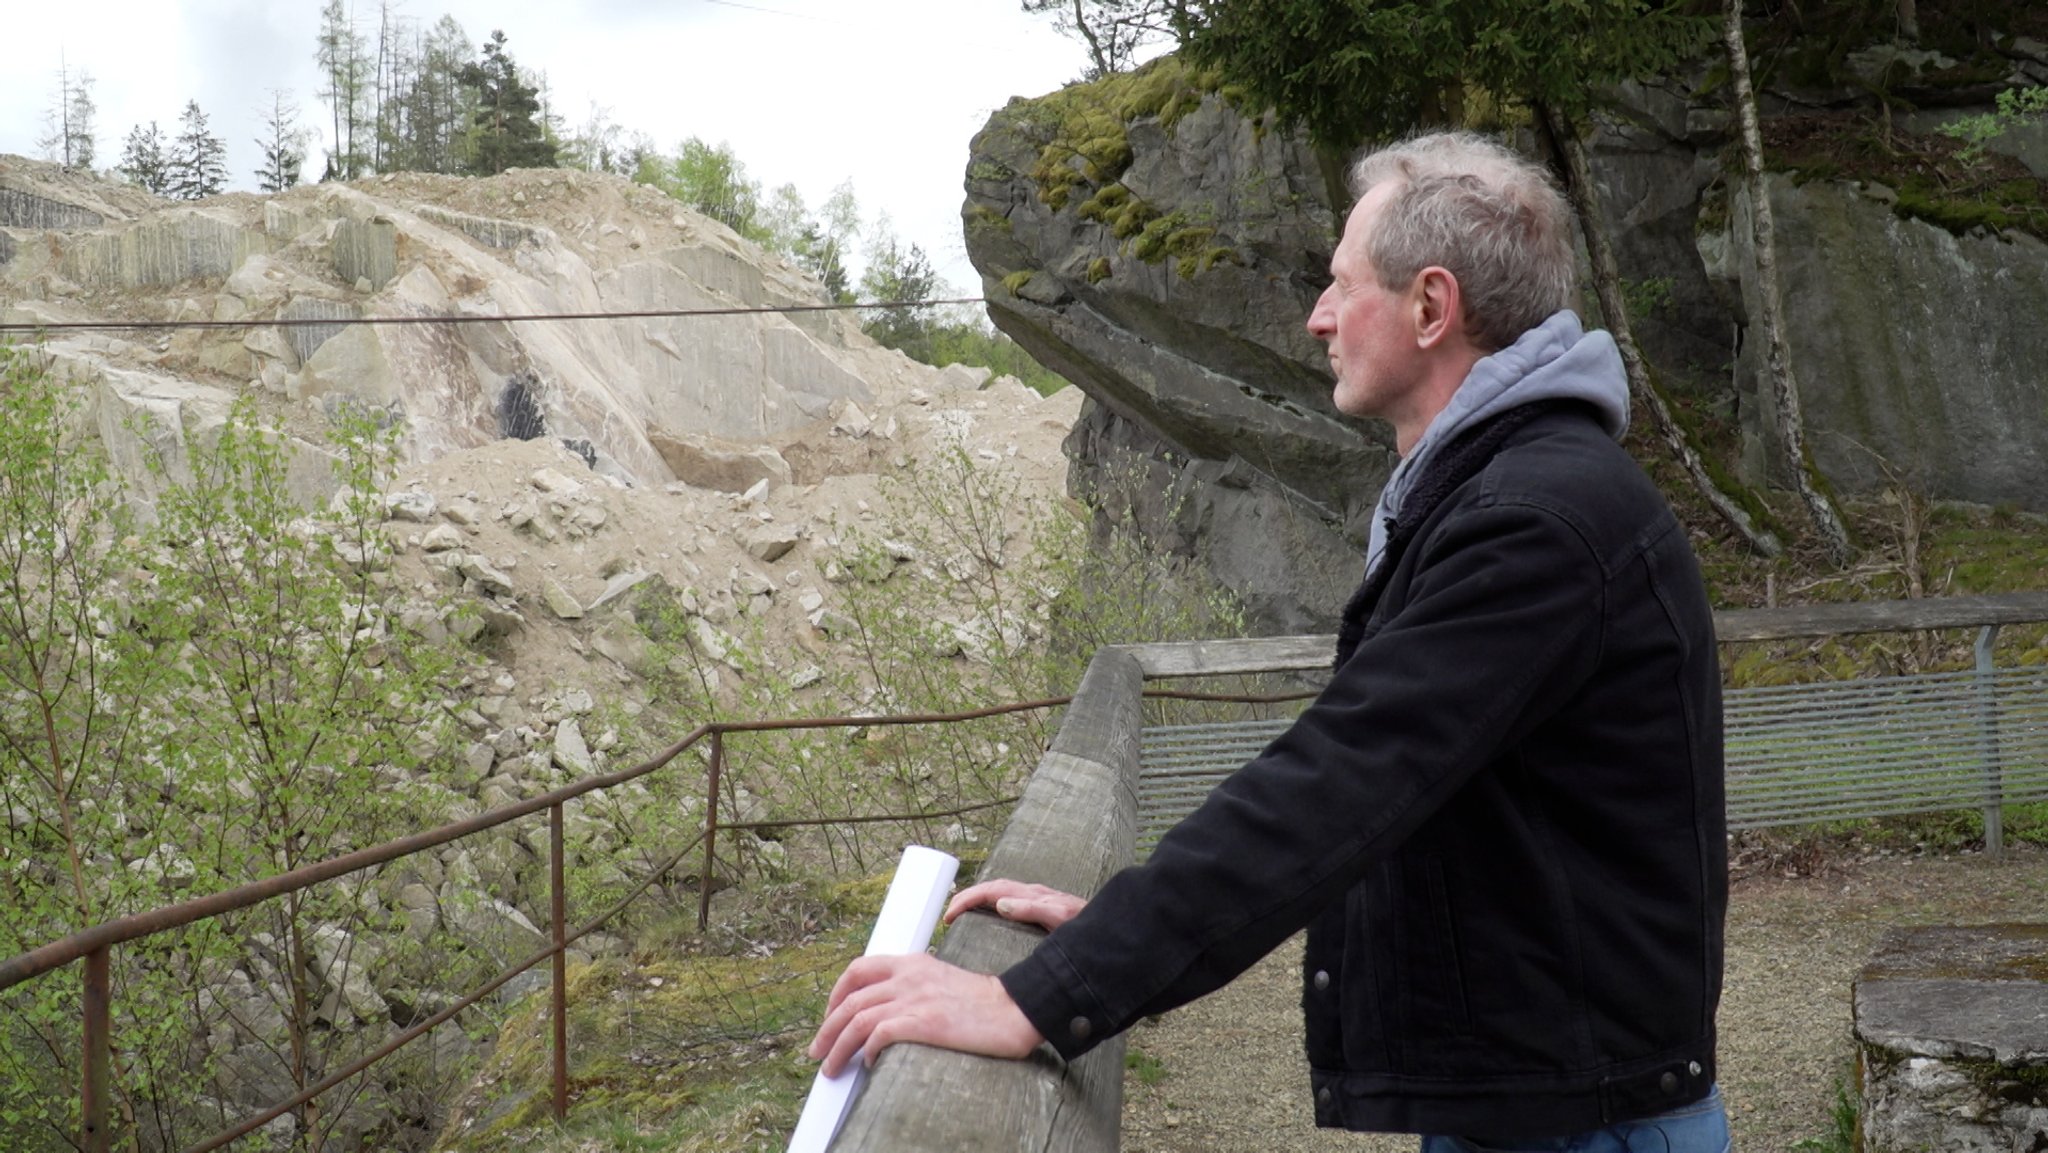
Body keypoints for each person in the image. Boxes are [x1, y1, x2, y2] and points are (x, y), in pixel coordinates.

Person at [809, 130, 1730, 1152]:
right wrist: (1120, 929)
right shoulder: (1510, 492)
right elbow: (1378, 787)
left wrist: (1044, 995)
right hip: (1544, 1101)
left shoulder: (1536, 521)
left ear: (1430, 307)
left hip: (1578, 1124)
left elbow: (1338, 779)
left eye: (1340, 286)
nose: (1316, 317)